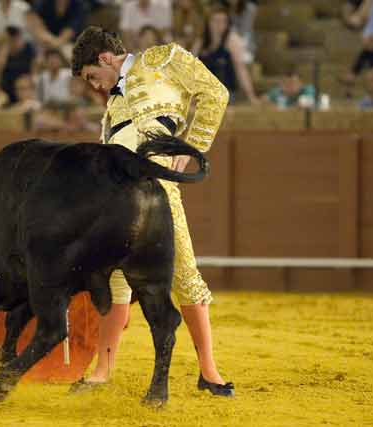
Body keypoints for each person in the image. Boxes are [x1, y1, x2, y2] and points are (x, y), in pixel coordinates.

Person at [70, 26, 234, 397]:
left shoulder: (163, 59)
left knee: (185, 274)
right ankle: (103, 369)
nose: (95, 87)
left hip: (156, 185)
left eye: (93, 77)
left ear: (105, 58)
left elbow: (215, 93)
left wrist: (191, 147)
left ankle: (209, 370)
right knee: (115, 278)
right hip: (114, 194)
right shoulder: (112, 106)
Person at [194, 6, 259, 104]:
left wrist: (251, 96)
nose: (219, 25)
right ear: (209, 23)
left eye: (223, 21)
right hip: (203, 93)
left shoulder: (231, 41)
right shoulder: (200, 42)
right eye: (216, 21)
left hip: (225, 93)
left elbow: (241, 70)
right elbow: (190, 69)